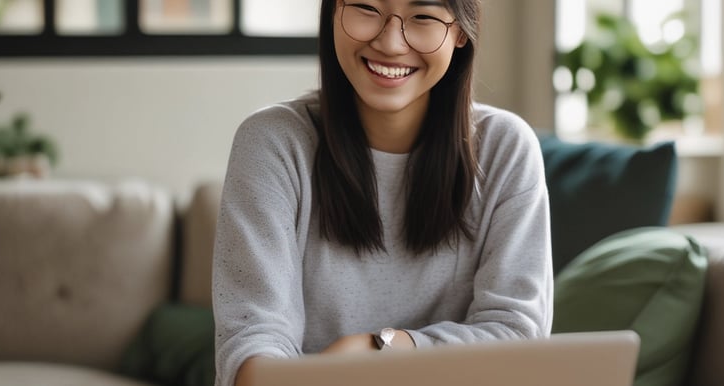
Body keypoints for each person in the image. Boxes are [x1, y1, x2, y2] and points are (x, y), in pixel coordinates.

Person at [212, 0, 553, 385]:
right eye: (365, 7)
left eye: (422, 16)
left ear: (460, 31)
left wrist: (379, 349)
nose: (391, 43)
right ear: (332, 15)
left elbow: (518, 334)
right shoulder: (272, 142)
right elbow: (253, 347)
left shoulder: (505, 148)